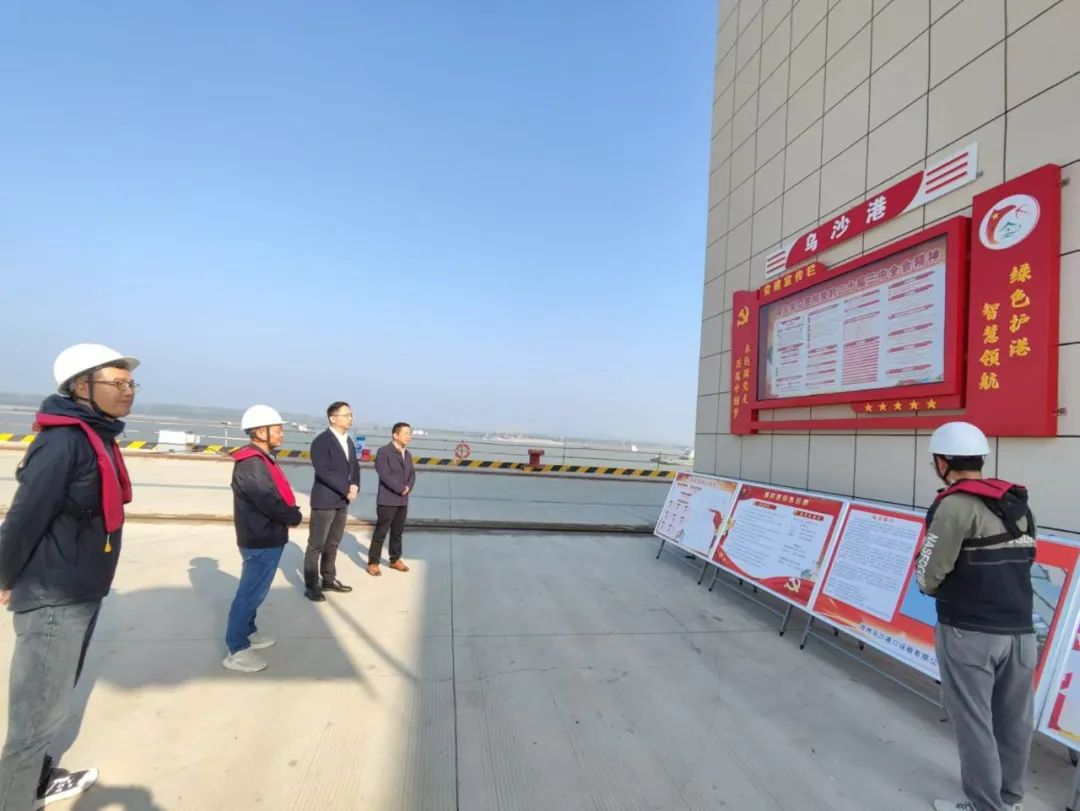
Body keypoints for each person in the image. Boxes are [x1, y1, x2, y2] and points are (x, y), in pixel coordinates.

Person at [0, 343, 140, 809]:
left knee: (53, 702)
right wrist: (3, 576)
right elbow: (24, 517)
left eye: (130, 383)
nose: (128, 391)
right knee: (35, 716)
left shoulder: (97, 436)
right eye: (116, 383)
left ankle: (36, 781)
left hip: (81, 589)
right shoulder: (63, 442)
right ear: (82, 386)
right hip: (54, 596)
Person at [917, 421, 1036, 811]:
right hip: (1021, 630)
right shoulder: (1016, 502)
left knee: (974, 722)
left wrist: (927, 583)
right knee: (1013, 720)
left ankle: (985, 806)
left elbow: (930, 572)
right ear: (981, 458)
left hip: (969, 631)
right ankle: (1009, 799)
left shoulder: (954, 505)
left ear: (942, 462)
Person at [223, 405, 302, 674]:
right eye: (277, 429)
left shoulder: (261, 459)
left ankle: (248, 631)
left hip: (266, 534)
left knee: (256, 590)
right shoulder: (252, 464)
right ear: (259, 431)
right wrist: (293, 515)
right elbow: (268, 500)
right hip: (260, 537)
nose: (281, 433)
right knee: (250, 593)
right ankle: (237, 649)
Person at [302, 401, 360, 602]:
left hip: (342, 502)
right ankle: (311, 586)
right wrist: (346, 489)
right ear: (333, 418)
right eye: (346, 415)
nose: (350, 418)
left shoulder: (348, 441)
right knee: (316, 545)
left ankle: (328, 579)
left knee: (333, 543)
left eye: (351, 415)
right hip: (325, 500)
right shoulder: (321, 442)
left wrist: (355, 484)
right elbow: (324, 472)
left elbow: (354, 466)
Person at [367, 422, 415, 576]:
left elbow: (412, 474)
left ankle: (395, 559)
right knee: (380, 532)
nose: (409, 436)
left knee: (397, 532)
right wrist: (401, 488)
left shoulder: (408, 454)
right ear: (395, 435)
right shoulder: (384, 452)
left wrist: (408, 487)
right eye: (406, 433)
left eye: (410, 433)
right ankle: (373, 562)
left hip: (403, 500)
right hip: (388, 499)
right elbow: (384, 475)